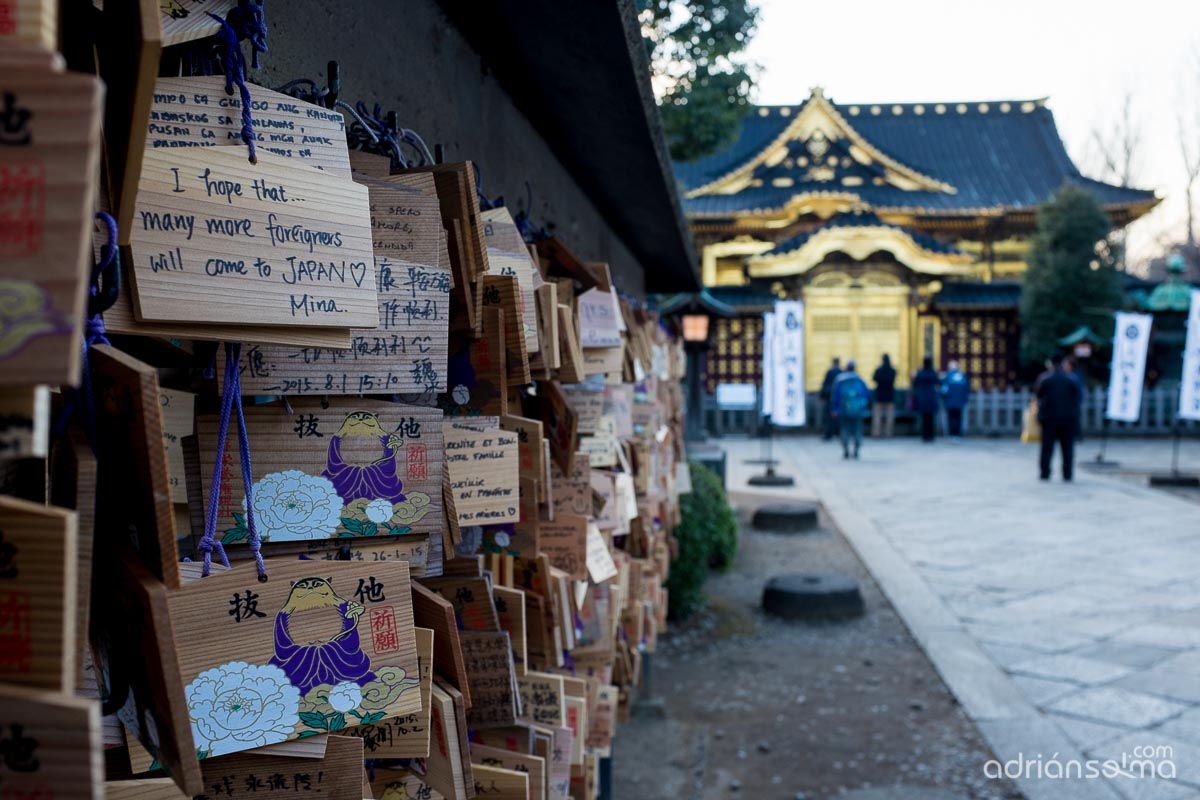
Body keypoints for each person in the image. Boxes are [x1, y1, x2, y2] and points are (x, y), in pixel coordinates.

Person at [1036, 353, 1082, 482]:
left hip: (1049, 418)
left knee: (1046, 447)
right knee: (1067, 448)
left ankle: (1045, 472)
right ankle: (1067, 474)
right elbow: (1077, 398)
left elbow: (1038, 395)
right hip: (1068, 418)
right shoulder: (1071, 379)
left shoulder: (1045, 379)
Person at [832, 359, 870, 459]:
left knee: (845, 429)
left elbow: (836, 396)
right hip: (858, 411)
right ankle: (856, 450)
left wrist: (835, 409)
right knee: (857, 430)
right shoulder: (859, 380)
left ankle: (846, 450)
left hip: (843, 410)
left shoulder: (840, 380)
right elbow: (866, 394)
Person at [912, 356, 941, 442]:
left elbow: (914, 384)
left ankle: (925, 436)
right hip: (932, 397)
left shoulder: (920, 373)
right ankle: (931, 436)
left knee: (924, 418)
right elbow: (939, 383)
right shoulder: (933, 373)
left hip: (923, 397)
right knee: (931, 418)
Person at [940, 360, 970, 440]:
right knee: (958, 417)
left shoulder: (947, 376)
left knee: (951, 418)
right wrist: (965, 399)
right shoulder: (963, 376)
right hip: (960, 401)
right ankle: (958, 434)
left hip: (949, 400)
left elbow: (943, 389)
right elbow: (966, 389)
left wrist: (943, 397)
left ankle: (952, 434)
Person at [871, 354, 897, 438]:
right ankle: (888, 433)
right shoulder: (892, 370)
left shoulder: (878, 370)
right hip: (890, 395)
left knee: (877, 416)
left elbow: (874, 379)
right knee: (889, 416)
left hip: (879, 395)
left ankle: (877, 433)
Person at [818, 357, 842, 441]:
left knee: (828, 416)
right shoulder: (841, 372)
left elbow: (825, 384)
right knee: (838, 416)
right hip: (839, 398)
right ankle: (838, 432)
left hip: (829, 397)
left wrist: (821, 396)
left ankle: (828, 433)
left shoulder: (830, 371)